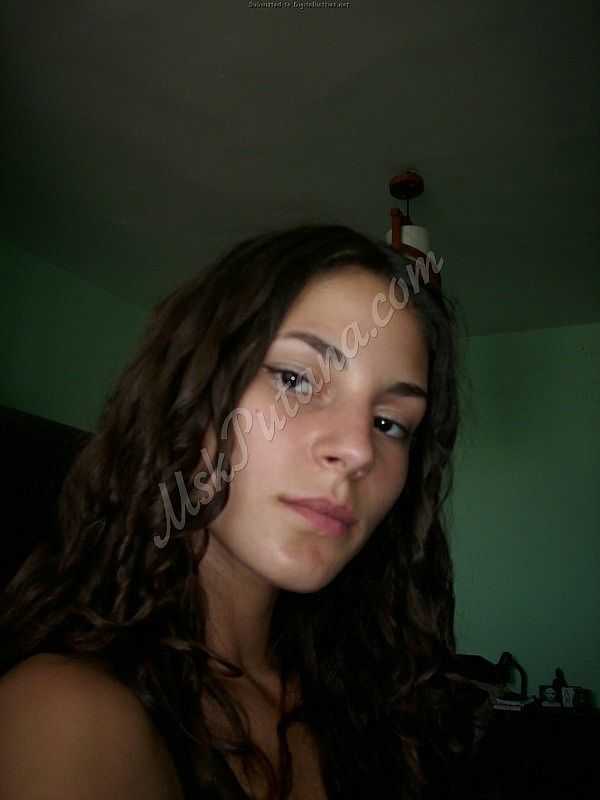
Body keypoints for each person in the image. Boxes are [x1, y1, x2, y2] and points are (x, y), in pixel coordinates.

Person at [0, 225, 464, 799]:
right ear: (189, 393)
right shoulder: (67, 719)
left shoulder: (367, 694)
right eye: (295, 379)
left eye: (390, 423)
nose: (358, 450)